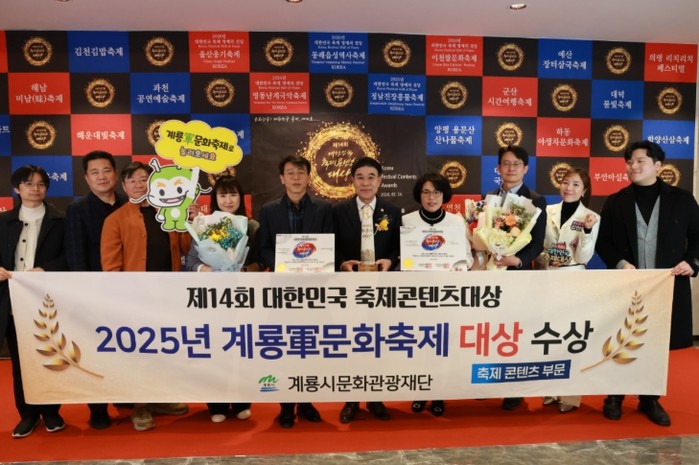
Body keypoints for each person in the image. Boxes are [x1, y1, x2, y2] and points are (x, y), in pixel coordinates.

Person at [595, 140, 699, 427]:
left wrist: (692, 263)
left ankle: (649, 399)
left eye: (640, 161)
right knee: (620, 339)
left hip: (667, 286)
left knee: (656, 344)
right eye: (629, 162)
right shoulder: (616, 201)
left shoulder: (682, 200)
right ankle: (614, 395)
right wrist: (620, 263)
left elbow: (697, 238)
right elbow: (603, 242)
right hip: (626, 286)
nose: (633, 166)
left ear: (658, 165)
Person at [101, 161, 191, 431]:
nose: (139, 185)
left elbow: (186, 247)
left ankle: (159, 398)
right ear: (124, 186)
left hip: (168, 295)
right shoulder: (115, 219)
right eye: (133, 181)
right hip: (135, 299)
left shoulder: (167, 212)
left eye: (144, 179)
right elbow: (111, 267)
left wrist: (186, 220)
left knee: (164, 348)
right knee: (137, 352)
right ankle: (139, 406)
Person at [257, 155, 333, 428]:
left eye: (301, 172)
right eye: (290, 173)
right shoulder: (269, 210)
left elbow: (329, 246)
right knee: (285, 348)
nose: (296, 178)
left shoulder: (324, 209)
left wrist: (316, 268)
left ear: (309, 177)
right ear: (282, 178)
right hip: (282, 291)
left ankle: (307, 402)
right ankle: (286, 406)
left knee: (309, 347)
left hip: (314, 292)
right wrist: (283, 266)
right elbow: (263, 248)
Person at [0, 165, 67, 438]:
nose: (35, 189)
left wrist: (46, 269)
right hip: (12, 303)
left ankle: (51, 412)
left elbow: (70, 258)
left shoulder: (60, 220)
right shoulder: (3, 221)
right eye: (28, 184)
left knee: (51, 357)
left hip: (48, 302)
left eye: (40, 184)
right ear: (17, 188)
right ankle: (27, 414)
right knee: (20, 362)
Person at [333, 156, 401, 423]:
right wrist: (342, 263)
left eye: (371, 177)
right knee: (352, 344)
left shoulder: (392, 211)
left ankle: (375, 398)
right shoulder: (338, 211)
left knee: (377, 344)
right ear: (352, 181)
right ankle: (351, 400)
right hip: (348, 290)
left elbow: (397, 247)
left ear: (380, 181)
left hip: (381, 291)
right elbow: (331, 244)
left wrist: (390, 261)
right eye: (360, 177)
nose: (365, 183)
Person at [185, 174, 257, 423]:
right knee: (215, 349)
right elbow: (190, 261)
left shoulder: (251, 226)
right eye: (223, 195)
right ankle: (216, 404)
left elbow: (259, 261)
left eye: (233, 194)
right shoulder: (204, 224)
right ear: (215, 199)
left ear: (240, 198)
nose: (228, 200)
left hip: (243, 297)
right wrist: (208, 269)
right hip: (212, 298)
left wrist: (244, 270)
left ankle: (242, 402)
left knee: (242, 350)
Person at [64, 150, 127, 430]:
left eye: (106, 170)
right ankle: (98, 408)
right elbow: (76, 257)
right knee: (94, 351)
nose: (102, 177)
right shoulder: (78, 210)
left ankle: (129, 400)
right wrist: (85, 295)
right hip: (94, 295)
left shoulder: (130, 204)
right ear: (87, 179)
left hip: (129, 295)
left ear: (116, 174)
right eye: (95, 172)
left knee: (128, 350)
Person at [403, 172, 474, 417]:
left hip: (446, 295)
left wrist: (457, 267)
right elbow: (402, 259)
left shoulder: (456, 221)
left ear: (444, 195)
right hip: (418, 295)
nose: (431, 197)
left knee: (442, 346)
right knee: (420, 345)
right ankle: (420, 391)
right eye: (426, 192)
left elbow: (467, 257)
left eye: (436, 192)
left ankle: (439, 392)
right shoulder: (407, 220)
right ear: (419, 195)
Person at [534, 167, 599, 413]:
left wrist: (587, 231)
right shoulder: (547, 211)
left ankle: (570, 396)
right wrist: (547, 258)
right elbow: (536, 247)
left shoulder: (591, 217)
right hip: (546, 278)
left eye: (575, 184)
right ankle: (549, 391)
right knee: (548, 335)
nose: (569, 188)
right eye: (565, 182)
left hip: (573, 280)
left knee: (572, 336)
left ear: (584, 191)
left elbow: (584, 256)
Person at [487, 145, 547, 410]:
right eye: (506, 163)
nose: (510, 168)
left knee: (514, 332)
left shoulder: (536, 200)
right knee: (490, 330)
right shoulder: (489, 197)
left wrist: (517, 260)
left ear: (525, 168)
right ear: (498, 168)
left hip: (517, 275)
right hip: (490, 276)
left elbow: (537, 243)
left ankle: (513, 388)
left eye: (516, 164)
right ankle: (488, 380)